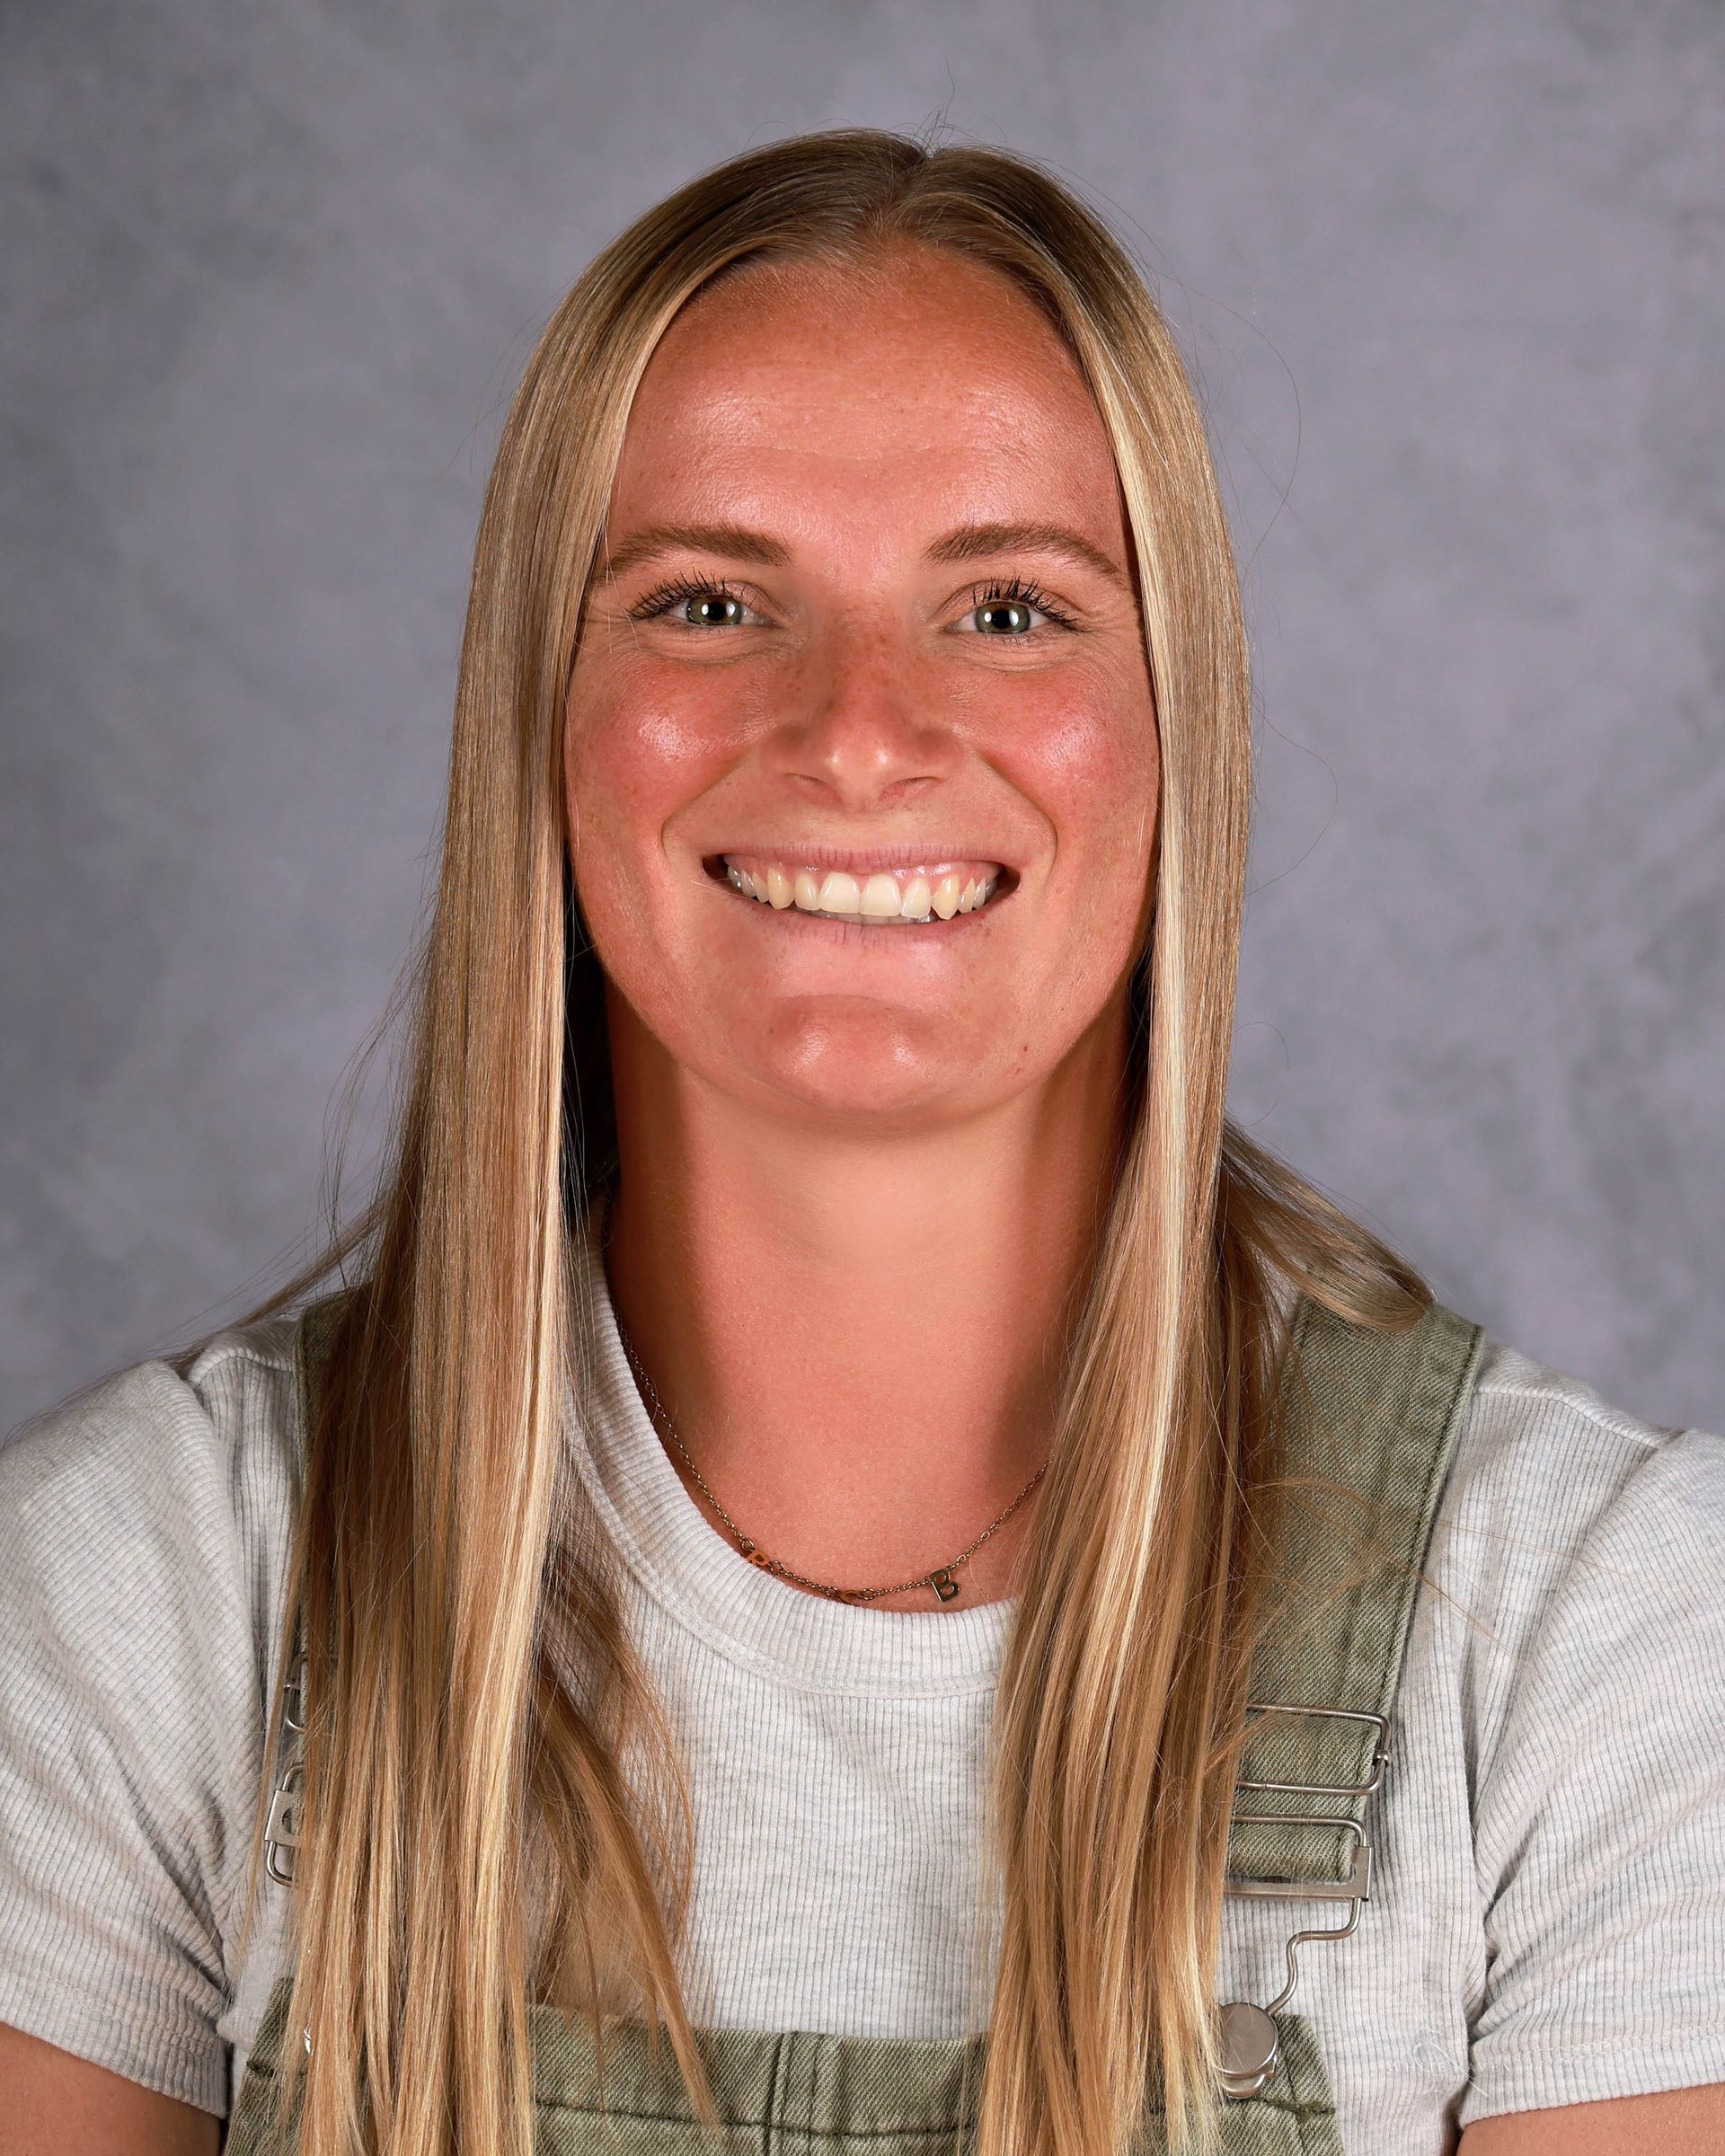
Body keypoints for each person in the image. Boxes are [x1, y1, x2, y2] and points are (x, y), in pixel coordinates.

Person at [1, 128, 1721, 2156]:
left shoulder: (1594, 1638)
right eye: (712, 598)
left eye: (1006, 610)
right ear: (538, 718)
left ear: (1183, 723)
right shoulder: (138, 1601)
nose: (857, 732)